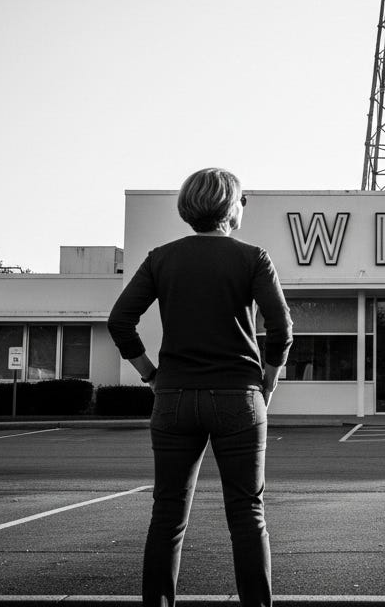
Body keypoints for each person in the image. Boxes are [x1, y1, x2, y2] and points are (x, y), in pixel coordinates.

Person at [107, 167, 292, 607]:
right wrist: (267, 382)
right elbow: (281, 328)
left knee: (167, 516)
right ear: (231, 207)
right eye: (242, 200)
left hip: (173, 398)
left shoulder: (161, 258)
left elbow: (119, 321)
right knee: (248, 515)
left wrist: (151, 374)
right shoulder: (253, 258)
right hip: (239, 399)